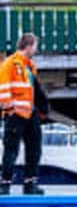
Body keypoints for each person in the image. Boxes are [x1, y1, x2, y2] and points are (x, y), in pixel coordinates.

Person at [0, 33, 48, 195]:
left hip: (30, 113)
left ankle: (30, 184)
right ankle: (5, 184)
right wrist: (7, 105)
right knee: (11, 150)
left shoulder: (29, 66)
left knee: (35, 149)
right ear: (28, 46)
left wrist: (42, 109)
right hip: (15, 113)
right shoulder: (10, 63)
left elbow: (35, 90)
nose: (36, 49)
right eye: (35, 46)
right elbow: (3, 84)